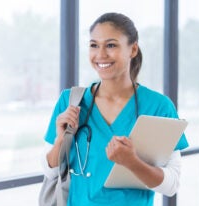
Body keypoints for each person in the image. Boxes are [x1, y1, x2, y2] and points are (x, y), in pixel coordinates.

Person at [41, 12, 189, 206]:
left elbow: (172, 184)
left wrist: (132, 162)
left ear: (133, 49)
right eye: (94, 45)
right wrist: (61, 139)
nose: (101, 55)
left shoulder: (159, 106)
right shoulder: (71, 101)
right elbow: (50, 171)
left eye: (111, 45)